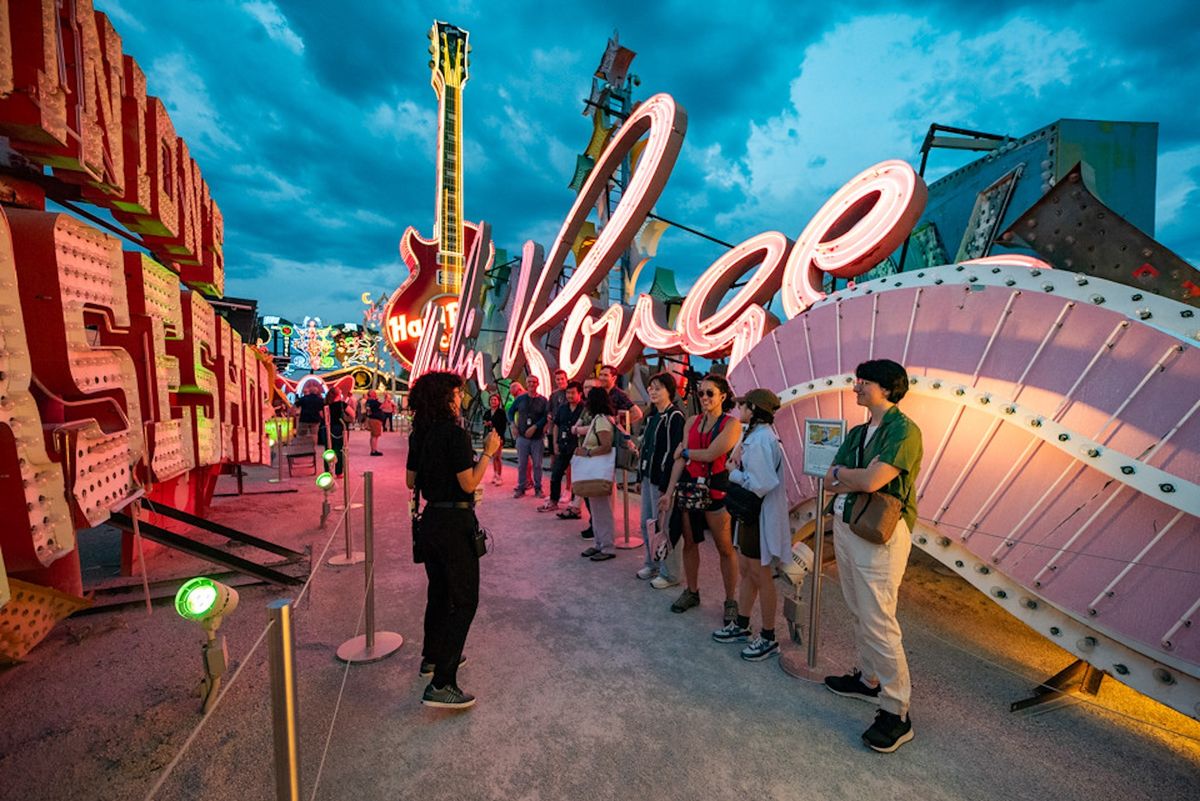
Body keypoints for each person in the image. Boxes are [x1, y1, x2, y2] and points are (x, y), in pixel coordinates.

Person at [822, 359, 923, 753]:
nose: (856, 388)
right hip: (848, 526)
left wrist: (848, 476)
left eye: (863, 382)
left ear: (885, 387)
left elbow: (870, 480)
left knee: (879, 619)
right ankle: (868, 680)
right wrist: (851, 477)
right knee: (858, 609)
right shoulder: (860, 431)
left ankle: (897, 712)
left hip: (879, 534)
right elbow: (829, 478)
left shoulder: (904, 431)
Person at [406, 371, 501, 709]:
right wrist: (488, 453)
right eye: (457, 394)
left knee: (439, 593)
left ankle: (433, 658)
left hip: (431, 521)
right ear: (445, 398)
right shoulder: (455, 434)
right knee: (464, 600)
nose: (461, 398)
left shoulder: (419, 434)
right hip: (454, 525)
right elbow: (468, 483)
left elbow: (410, 480)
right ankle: (442, 682)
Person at [711, 388, 788, 662]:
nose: (738, 409)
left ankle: (768, 636)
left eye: (743, 405)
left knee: (760, 574)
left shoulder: (761, 440)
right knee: (747, 569)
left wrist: (734, 474)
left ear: (754, 409)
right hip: (752, 515)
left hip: (758, 515)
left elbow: (762, 483)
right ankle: (743, 624)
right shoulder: (756, 436)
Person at [660, 374, 742, 623]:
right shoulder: (692, 421)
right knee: (690, 542)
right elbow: (680, 461)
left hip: (717, 490)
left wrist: (684, 451)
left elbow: (710, 454)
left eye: (710, 393)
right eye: (701, 392)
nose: (704, 397)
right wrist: (669, 492)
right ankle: (692, 591)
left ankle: (730, 600)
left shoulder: (731, 424)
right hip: (691, 489)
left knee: (724, 547)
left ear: (723, 396)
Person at [637, 372, 686, 584]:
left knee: (664, 526)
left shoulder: (675, 416)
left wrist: (668, 486)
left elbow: (675, 452)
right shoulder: (652, 415)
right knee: (647, 523)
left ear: (669, 391)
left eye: (658, 388)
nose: (653, 391)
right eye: (651, 388)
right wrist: (640, 475)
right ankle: (652, 563)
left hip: (662, 480)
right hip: (648, 477)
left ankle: (669, 573)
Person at [576, 387, 617, 561]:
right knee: (597, 509)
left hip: (599, 470)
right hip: (597, 469)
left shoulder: (601, 420)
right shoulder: (600, 419)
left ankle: (607, 546)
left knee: (603, 510)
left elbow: (606, 445)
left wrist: (587, 452)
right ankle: (600, 543)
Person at [540, 380, 583, 512]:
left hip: (578, 448)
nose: (570, 396)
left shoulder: (584, 409)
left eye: (573, 393)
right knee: (556, 473)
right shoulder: (562, 408)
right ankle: (554, 501)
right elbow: (556, 425)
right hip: (563, 445)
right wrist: (555, 443)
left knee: (577, 477)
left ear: (580, 394)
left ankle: (574, 505)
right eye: (568, 393)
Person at [509, 375, 549, 498]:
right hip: (522, 437)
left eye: (534, 382)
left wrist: (536, 427)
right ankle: (521, 487)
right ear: (526, 384)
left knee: (537, 465)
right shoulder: (520, 399)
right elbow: (510, 412)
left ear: (538, 384)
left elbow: (546, 416)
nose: (531, 384)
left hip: (537, 438)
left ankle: (538, 488)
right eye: (529, 382)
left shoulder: (543, 400)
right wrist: (513, 425)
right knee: (522, 464)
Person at [321, 386, 353, 477]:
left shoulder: (325, 404)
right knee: (339, 450)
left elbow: (322, 416)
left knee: (328, 450)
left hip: (327, 428)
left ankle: (328, 471)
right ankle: (338, 472)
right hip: (339, 428)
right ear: (338, 394)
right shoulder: (342, 404)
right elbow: (352, 414)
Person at [484, 393, 507, 485]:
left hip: (498, 436)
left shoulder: (501, 412)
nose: (493, 401)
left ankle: (499, 476)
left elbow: (503, 425)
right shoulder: (487, 412)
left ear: (498, 401)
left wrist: (501, 437)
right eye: (491, 400)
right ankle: (495, 474)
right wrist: (486, 423)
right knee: (493, 456)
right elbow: (484, 421)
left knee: (498, 456)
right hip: (490, 436)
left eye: (495, 400)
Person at [294, 381, 325, 447]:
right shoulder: (320, 400)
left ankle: (301, 447)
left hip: (304, 419)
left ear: (310, 391)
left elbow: (296, 405)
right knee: (314, 434)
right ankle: (313, 447)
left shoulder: (303, 399)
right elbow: (321, 411)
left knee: (301, 435)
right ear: (316, 392)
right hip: (315, 420)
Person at [546, 368, 569, 458]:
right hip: (554, 428)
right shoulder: (553, 395)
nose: (560, 381)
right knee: (553, 455)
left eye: (562, 379)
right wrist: (549, 415)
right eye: (558, 379)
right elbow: (549, 410)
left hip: (567, 427)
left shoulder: (571, 392)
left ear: (566, 379)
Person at [366, 389, 386, 455]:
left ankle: (373, 449)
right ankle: (374, 451)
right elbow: (382, 406)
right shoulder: (373, 401)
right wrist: (386, 399)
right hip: (375, 419)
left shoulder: (369, 401)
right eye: (374, 393)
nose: (375, 393)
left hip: (373, 419)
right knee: (375, 436)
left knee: (373, 435)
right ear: (371, 394)